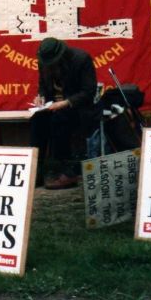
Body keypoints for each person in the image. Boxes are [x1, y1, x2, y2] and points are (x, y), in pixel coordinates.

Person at [30, 37, 98, 189]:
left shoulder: (81, 59)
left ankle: (65, 171)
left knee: (60, 119)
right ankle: (36, 169)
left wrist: (65, 103)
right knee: (37, 119)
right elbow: (42, 86)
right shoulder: (43, 62)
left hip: (78, 107)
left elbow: (88, 92)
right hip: (53, 105)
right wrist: (40, 97)